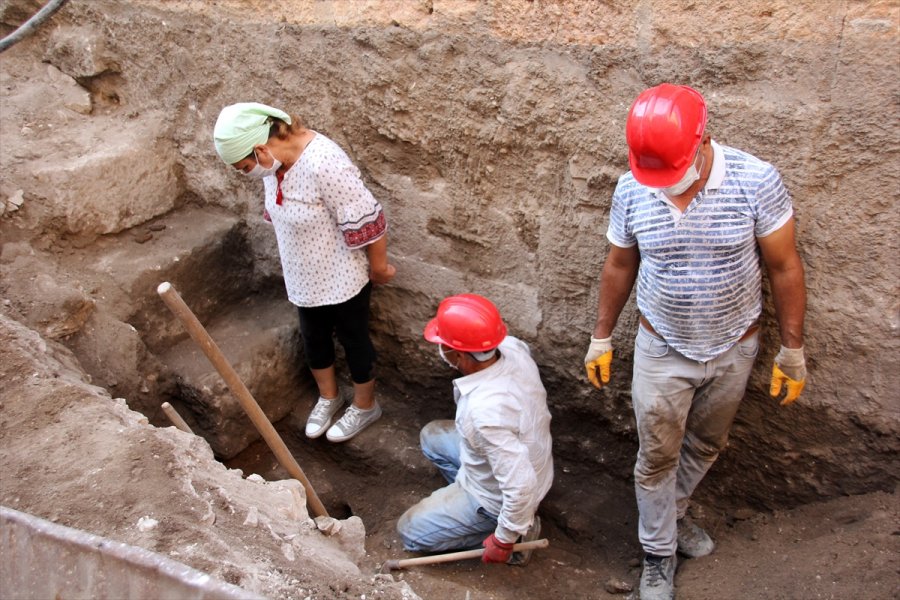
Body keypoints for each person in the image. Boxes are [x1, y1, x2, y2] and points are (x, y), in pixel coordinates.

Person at [583, 84, 807, 600]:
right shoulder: (632, 187)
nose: (665, 182)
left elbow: (784, 266)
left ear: (704, 139)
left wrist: (792, 349)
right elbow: (620, 264)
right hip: (662, 348)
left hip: (733, 348)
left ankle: (673, 513)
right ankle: (657, 553)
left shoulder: (756, 180)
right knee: (656, 457)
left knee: (707, 443)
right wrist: (601, 336)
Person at [213, 102, 396, 443]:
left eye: (244, 167)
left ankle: (365, 405)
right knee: (313, 337)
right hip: (303, 275)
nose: (244, 174)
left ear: (260, 149)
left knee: (354, 340)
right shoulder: (273, 164)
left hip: (342, 276)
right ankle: (329, 397)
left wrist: (379, 268)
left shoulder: (324, 163)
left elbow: (369, 218)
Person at [397, 294, 553, 565]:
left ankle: (514, 535)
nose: (440, 349)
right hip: (522, 460)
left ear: (459, 355)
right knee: (432, 436)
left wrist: (503, 540)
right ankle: (466, 504)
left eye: (443, 345)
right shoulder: (512, 347)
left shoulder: (486, 413)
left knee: (410, 533)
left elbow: (520, 485)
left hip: (504, 494)